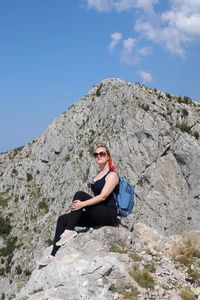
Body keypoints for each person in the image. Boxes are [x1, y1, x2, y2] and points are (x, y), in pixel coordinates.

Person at [37, 145, 119, 266]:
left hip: (108, 214)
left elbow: (103, 197)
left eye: (102, 154)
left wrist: (83, 204)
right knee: (62, 219)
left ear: (108, 156)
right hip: (97, 214)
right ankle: (53, 255)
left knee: (79, 194)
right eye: (96, 154)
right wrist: (82, 206)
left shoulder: (112, 175)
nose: (98, 156)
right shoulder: (99, 174)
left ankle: (69, 231)